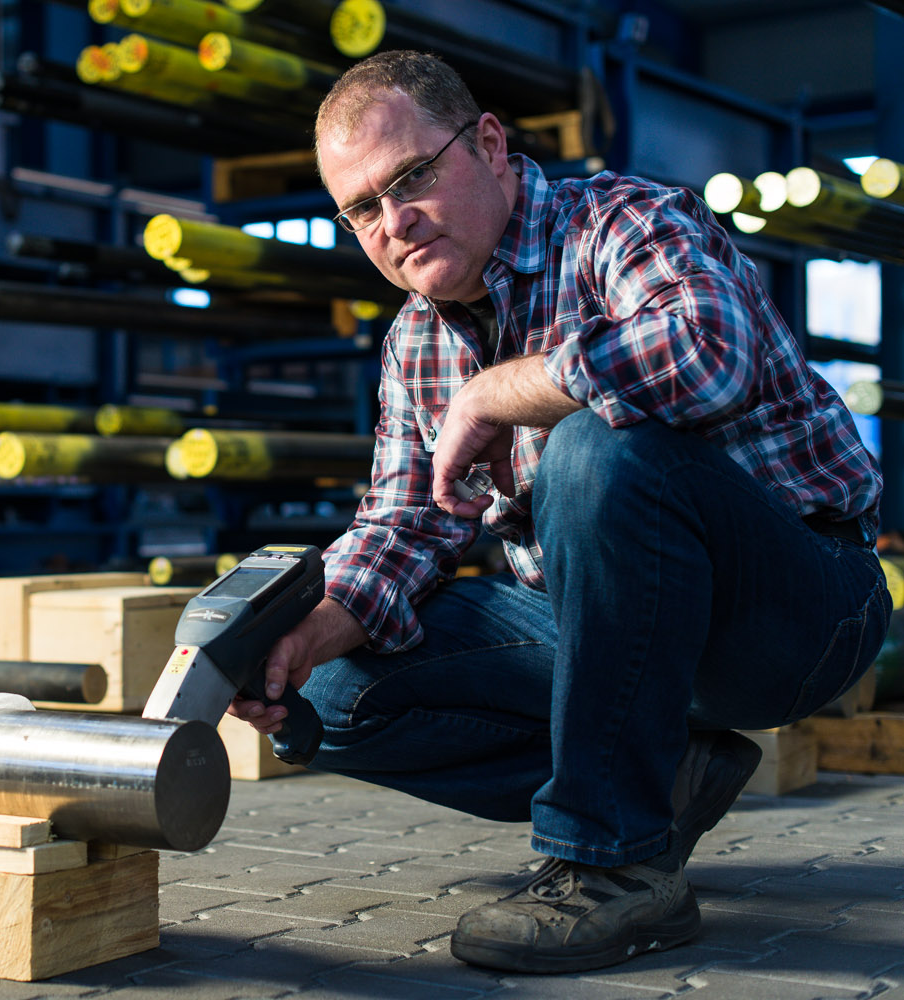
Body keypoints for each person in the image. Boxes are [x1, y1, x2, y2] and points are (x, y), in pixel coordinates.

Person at [229, 50, 891, 974]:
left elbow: (709, 352)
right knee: (332, 692)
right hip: (617, 638)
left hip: (796, 614)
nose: (394, 222)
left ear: (490, 145)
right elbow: (404, 524)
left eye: (411, 178)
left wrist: (501, 390)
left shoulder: (620, 221)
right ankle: (670, 773)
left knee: (595, 449)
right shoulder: (415, 340)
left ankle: (613, 866)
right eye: (362, 209)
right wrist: (308, 632)